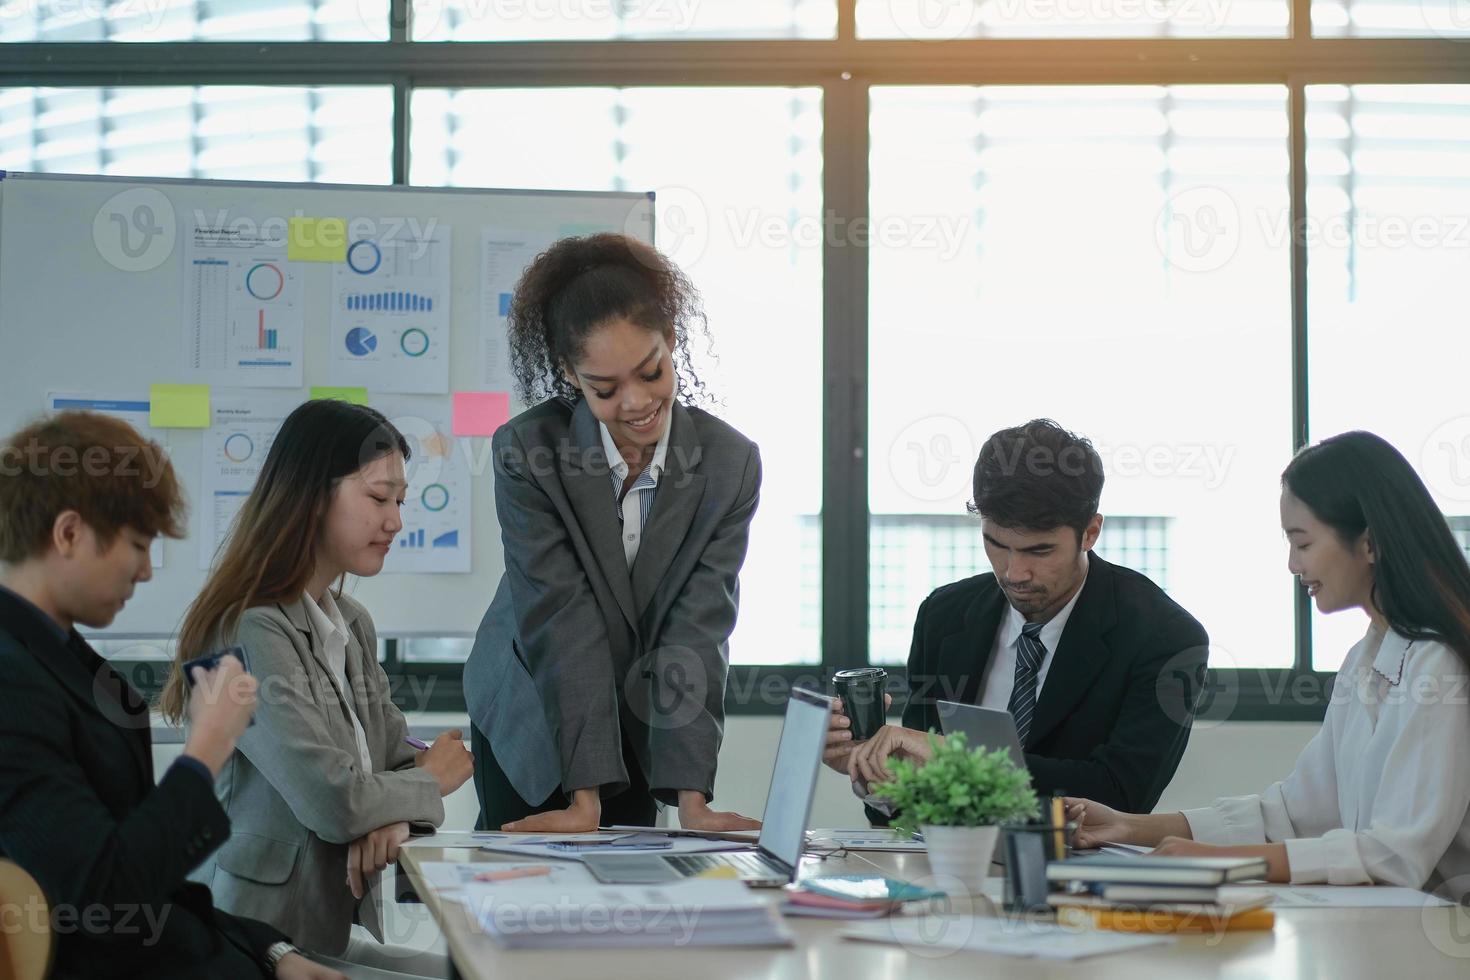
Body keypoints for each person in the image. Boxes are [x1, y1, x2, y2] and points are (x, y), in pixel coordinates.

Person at [0, 411, 344, 979]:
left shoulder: (68, 662)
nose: (145, 572)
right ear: (68, 533)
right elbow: (107, 899)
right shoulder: (14, 683)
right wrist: (207, 746)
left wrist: (271, 952)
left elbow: (152, 888)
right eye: (137, 545)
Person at [1067, 431, 1470, 902]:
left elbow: (1393, 857)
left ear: (1370, 544)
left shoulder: (1439, 665)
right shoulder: (1365, 660)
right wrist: (1128, 827)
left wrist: (1220, 861)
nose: (1292, 564)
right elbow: (1294, 812)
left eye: (1302, 543)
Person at [464, 233, 762, 833]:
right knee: (524, 904)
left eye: (651, 372)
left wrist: (691, 797)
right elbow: (560, 617)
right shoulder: (528, 452)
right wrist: (583, 799)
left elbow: (697, 628)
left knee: (629, 900)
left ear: (672, 341)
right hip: (535, 709)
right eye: (605, 388)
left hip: (641, 710)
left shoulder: (729, 464)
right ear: (571, 375)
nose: (636, 403)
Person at [161, 399, 473, 969]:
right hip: (248, 943)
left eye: (399, 502)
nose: (396, 521)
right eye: (379, 498)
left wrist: (399, 812)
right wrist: (423, 784)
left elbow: (399, 760)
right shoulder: (248, 629)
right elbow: (333, 799)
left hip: (320, 933)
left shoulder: (351, 624)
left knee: (471, 971)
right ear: (311, 495)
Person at [827, 419, 1210, 816]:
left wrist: (954, 759)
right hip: (948, 867)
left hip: (1077, 873)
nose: (1013, 572)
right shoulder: (943, 616)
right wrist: (874, 770)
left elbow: (1121, 795)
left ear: (1090, 532)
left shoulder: (1163, 636)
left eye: (1039, 551)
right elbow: (913, 807)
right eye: (996, 544)